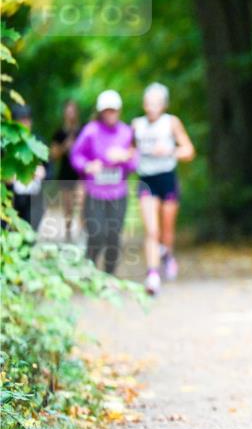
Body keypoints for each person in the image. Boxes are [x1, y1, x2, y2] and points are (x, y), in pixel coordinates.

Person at [132, 82, 196, 296]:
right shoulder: (136, 125)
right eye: (149, 102)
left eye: (157, 103)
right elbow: (129, 152)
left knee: (167, 232)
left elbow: (188, 150)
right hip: (146, 180)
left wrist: (170, 150)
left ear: (164, 105)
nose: (152, 107)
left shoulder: (171, 123)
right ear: (144, 104)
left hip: (167, 178)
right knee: (152, 231)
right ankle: (153, 275)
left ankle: (167, 254)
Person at [70, 90, 137, 275]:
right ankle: (89, 270)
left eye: (113, 110)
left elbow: (135, 162)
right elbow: (75, 156)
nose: (110, 114)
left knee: (113, 236)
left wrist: (125, 158)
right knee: (96, 234)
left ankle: (109, 276)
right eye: (107, 110)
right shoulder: (90, 131)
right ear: (100, 112)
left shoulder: (126, 132)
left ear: (119, 111)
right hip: (95, 193)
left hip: (118, 193)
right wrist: (88, 166)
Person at [9, 105, 48, 231]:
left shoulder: (39, 143)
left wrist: (43, 173)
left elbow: (49, 169)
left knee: (30, 235)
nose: (25, 124)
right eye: (20, 121)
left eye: (27, 120)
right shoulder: (5, 144)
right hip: (11, 199)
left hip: (34, 199)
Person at [49, 99, 82, 241]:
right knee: (68, 206)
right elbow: (53, 155)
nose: (70, 114)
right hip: (65, 173)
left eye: (73, 111)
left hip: (81, 174)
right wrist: (65, 147)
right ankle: (68, 233)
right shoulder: (59, 133)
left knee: (81, 204)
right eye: (68, 111)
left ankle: (82, 233)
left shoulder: (83, 131)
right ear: (64, 113)